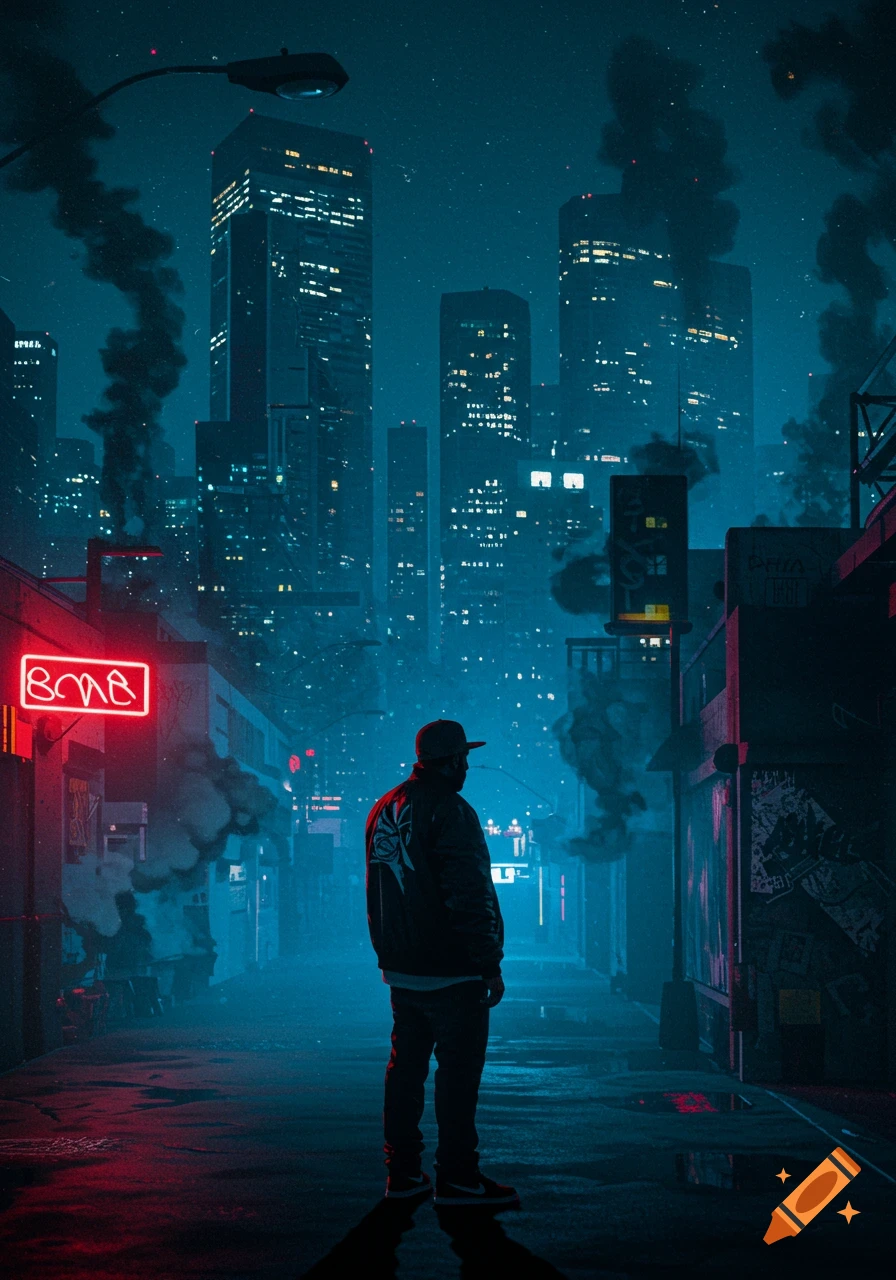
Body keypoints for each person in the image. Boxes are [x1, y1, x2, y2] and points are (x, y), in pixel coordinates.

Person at [365, 719, 519, 1207]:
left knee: (405, 1070)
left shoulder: (383, 808)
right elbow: (468, 891)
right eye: (465, 760)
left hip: (402, 968)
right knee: (457, 1075)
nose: (468, 767)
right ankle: (457, 1177)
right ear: (452, 761)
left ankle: (403, 1173)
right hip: (452, 969)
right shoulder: (451, 810)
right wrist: (488, 962)